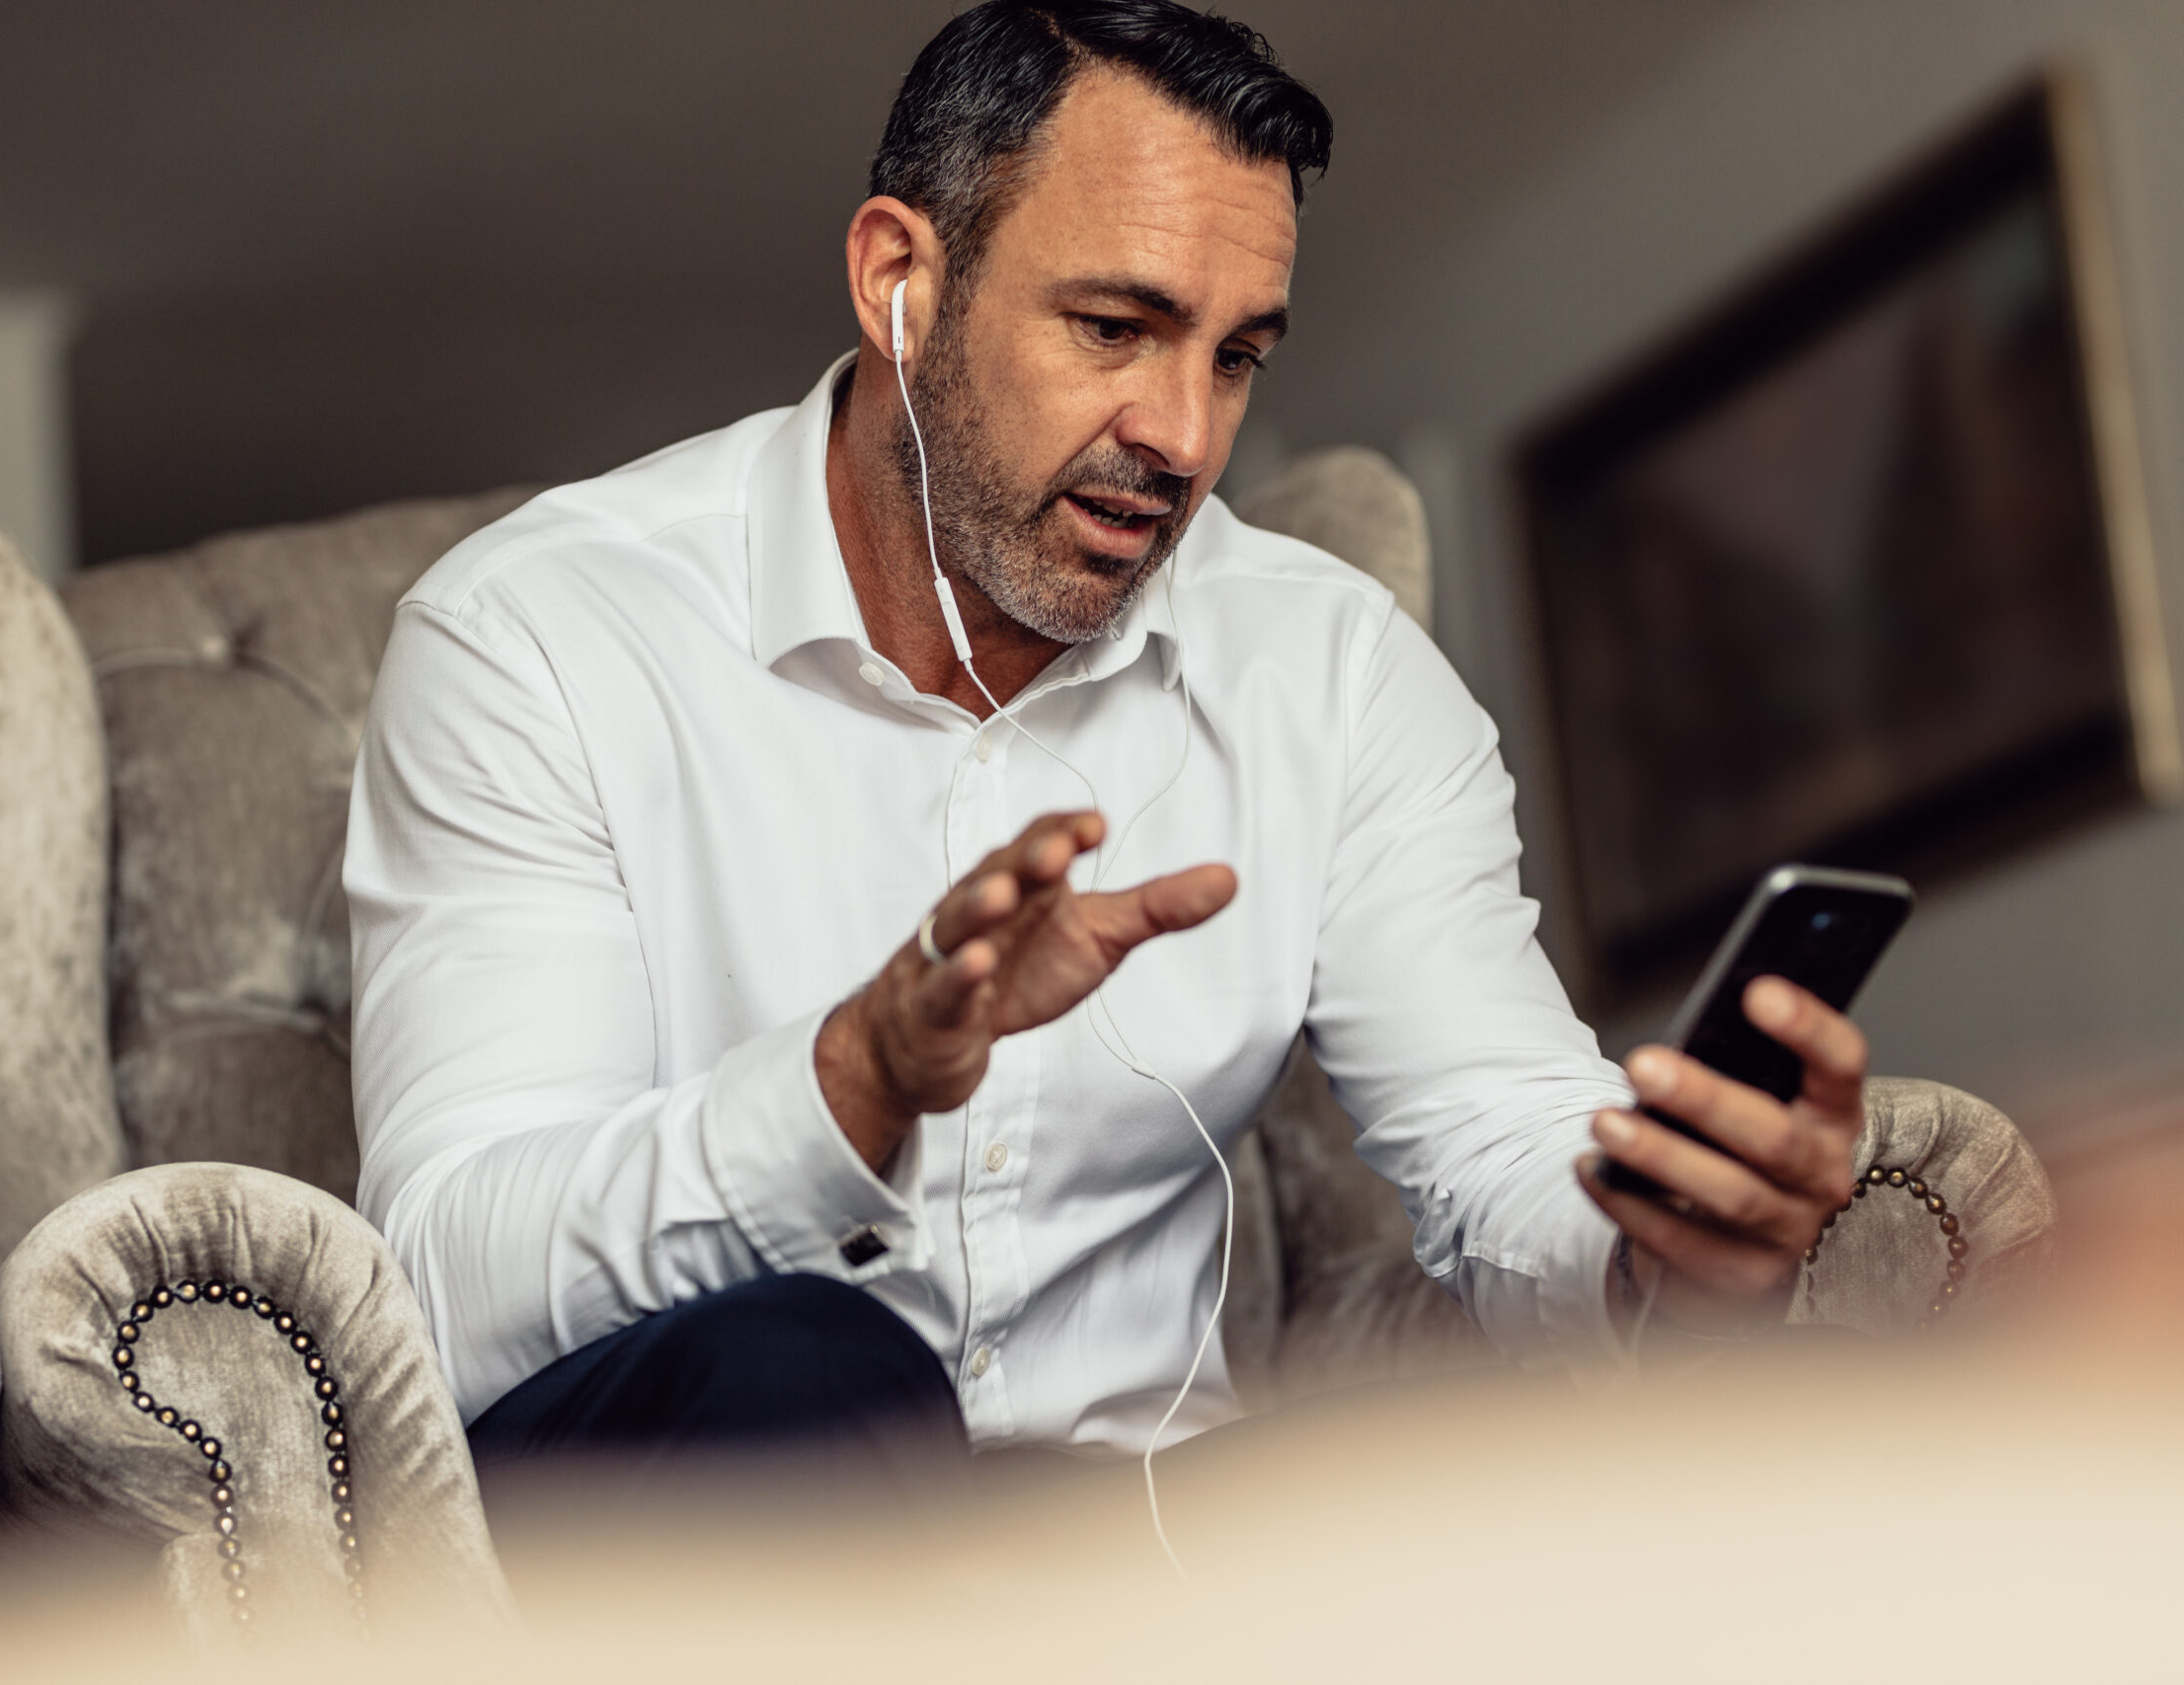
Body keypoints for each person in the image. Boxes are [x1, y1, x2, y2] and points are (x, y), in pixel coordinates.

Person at [346, 0, 1872, 1487]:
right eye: (1115, 327)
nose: (1185, 438)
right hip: (691, 1534)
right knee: (801, 1365)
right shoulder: (536, 634)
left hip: (1132, 1551)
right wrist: (851, 1082)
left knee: (1436, 1497)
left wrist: (1665, 1243)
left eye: (1235, 356)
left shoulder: (1330, 676)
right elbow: (448, 1284)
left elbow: (1497, 1143)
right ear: (899, 281)